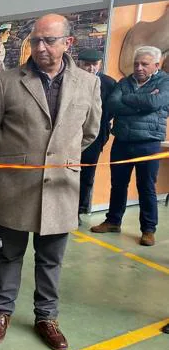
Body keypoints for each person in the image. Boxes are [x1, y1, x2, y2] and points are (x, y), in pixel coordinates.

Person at [0, 14, 101, 350]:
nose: (41, 47)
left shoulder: (88, 84)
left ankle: (46, 317)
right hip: (14, 185)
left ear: (68, 43)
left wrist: (58, 157)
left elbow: (89, 132)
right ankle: (1, 311)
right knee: (9, 254)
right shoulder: (7, 81)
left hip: (61, 185)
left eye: (49, 40)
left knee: (51, 259)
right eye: (36, 40)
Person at [90, 46, 169, 246]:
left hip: (148, 143)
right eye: (136, 64)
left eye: (144, 64)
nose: (139, 68)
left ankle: (148, 230)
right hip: (122, 142)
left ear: (156, 65)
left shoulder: (165, 82)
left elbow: (155, 102)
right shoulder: (124, 82)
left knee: (146, 188)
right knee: (118, 185)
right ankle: (113, 221)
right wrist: (143, 102)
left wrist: (130, 101)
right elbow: (112, 105)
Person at [76, 49, 116, 221]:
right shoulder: (72, 81)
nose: (91, 68)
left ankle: (79, 209)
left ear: (99, 64)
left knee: (86, 175)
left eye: (94, 64)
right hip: (70, 135)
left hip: (95, 136)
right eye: (87, 64)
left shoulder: (108, 83)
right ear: (79, 63)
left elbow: (111, 110)